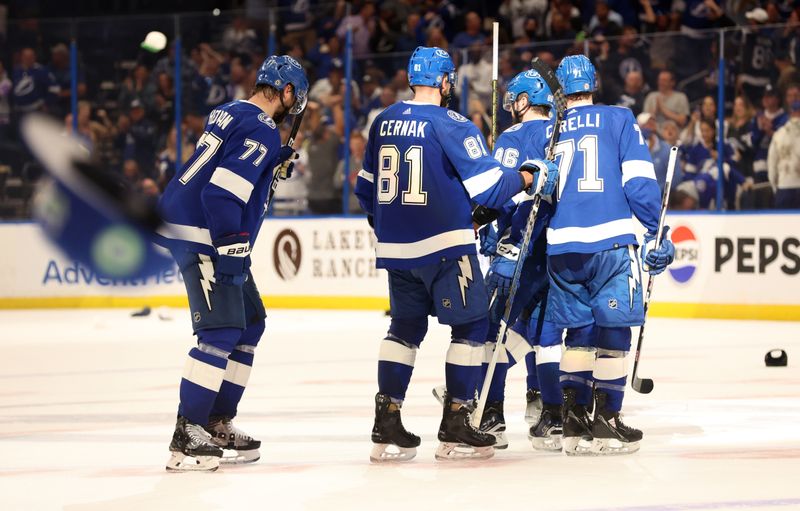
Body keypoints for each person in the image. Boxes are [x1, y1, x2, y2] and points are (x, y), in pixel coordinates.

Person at [355, 46, 547, 462]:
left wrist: (389, 228)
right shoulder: (453, 123)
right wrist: (529, 175)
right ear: (444, 82)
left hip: (395, 250)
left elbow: (364, 190)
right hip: (444, 247)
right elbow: (494, 190)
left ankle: (386, 421)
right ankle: (457, 422)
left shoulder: (383, 120)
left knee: (403, 330)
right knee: (473, 327)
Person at [156, 55, 308, 472]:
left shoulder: (231, 111)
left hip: (195, 224)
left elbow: (223, 167)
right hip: (202, 234)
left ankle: (216, 421)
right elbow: (220, 195)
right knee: (220, 330)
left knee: (250, 322)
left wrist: (266, 166)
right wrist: (233, 247)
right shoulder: (262, 128)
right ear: (288, 93)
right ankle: (188, 433)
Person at [548, 55, 675, 455]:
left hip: (562, 248)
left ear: (562, 90)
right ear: (594, 83)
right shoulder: (618, 118)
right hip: (611, 243)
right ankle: (607, 419)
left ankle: (572, 421)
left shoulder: (550, 129)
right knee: (614, 327)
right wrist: (657, 231)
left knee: (578, 334)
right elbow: (638, 182)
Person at [472, 70, 563, 451]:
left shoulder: (511, 137)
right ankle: (553, 415)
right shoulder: (561, 131)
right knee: (545, 332)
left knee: (495, 328)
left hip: (519, 243)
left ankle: (491, 412)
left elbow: (499, 191)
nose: (510, 107)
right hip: (556, 244)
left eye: (514, 100)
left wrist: (487, 224)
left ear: (524, 101)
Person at [767, 84, 800, 208]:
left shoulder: (779, 133)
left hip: (784, 187)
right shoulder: (779, 132)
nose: (794, 99)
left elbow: (772, 167)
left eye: (796, 96)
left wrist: (776, 187)